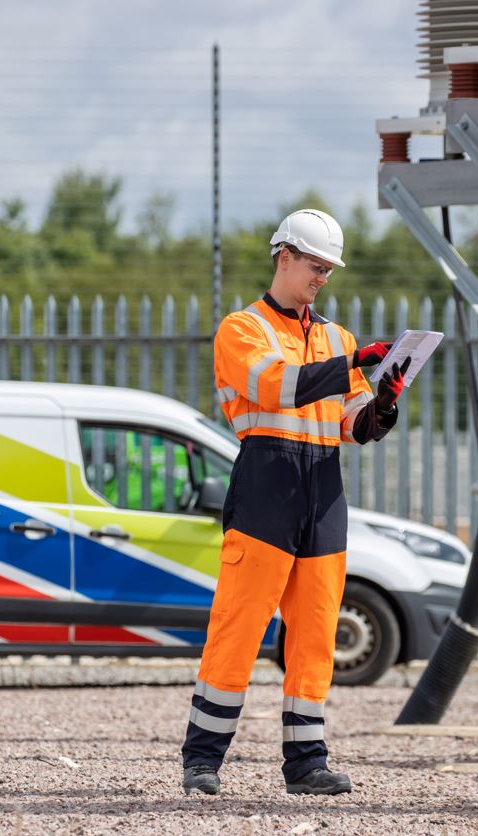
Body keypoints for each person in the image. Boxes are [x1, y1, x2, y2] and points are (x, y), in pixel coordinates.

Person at [180, 208, 410, 796]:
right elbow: (277, 384)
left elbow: (351, 426)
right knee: (238, 625)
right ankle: (202, 761)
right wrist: (353, 366)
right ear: (284, 257)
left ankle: (307, 764)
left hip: (323, 487)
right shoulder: (242, 328)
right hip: (267, 482)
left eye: (329, 270)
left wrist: (382, 402)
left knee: (315, 631)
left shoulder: (338, 336)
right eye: (315, 266)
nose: (322, 278)